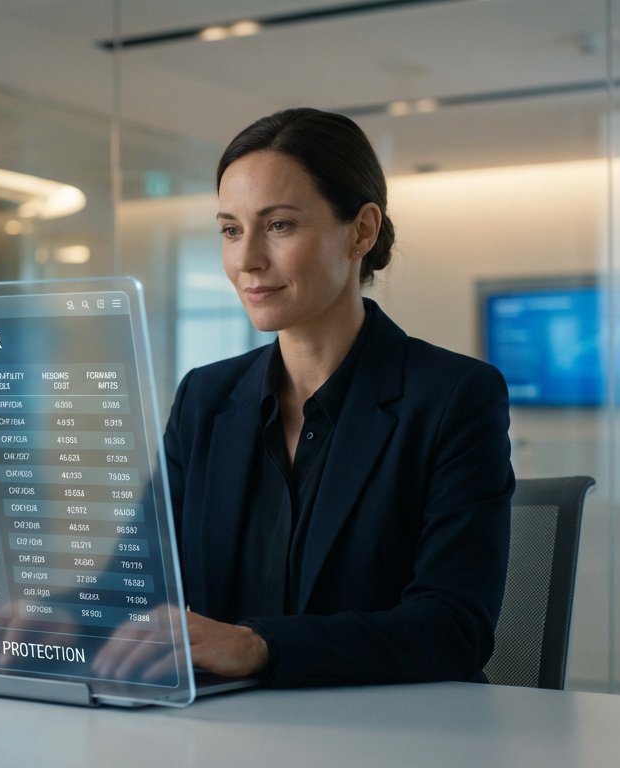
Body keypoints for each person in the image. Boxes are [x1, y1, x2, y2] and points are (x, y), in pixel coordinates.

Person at [164, 107, 513, 688]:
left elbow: (454, 627)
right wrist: (57, 620)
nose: (246, 257)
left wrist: (260, 647)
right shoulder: (205, 397)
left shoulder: (454, 397)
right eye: (230, 229)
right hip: (222, 733)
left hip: (387, 737)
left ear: (362, 231)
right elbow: (139, 578)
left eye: (278, 225)